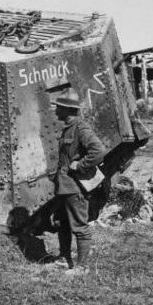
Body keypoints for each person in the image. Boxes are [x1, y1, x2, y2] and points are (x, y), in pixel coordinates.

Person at [53, 88, 105, 275]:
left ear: (68, 110)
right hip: (64, 186)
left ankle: (82, 267)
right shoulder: (68, 128)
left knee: (80, 226)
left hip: (75, 187)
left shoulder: (81, 129)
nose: (56, 110)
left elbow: (98, 151)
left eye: (59, 107)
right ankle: (64, 258)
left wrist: (80, 166)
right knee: (62, 222)